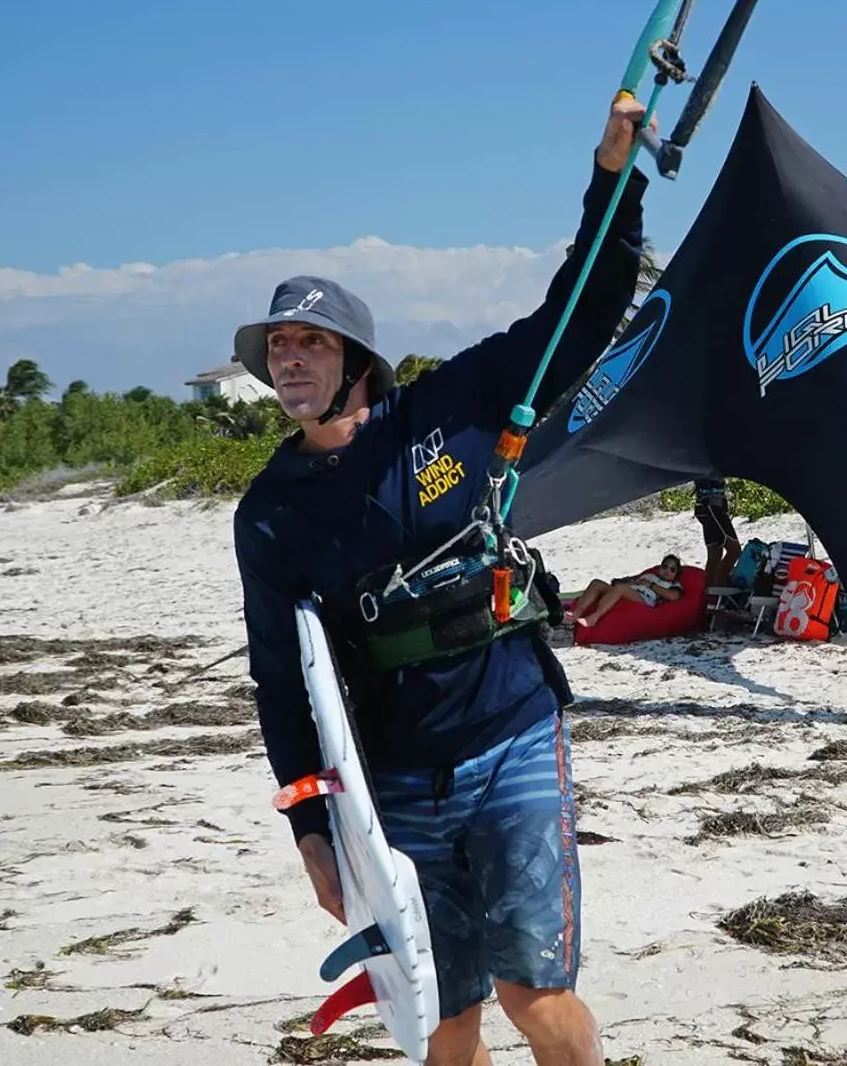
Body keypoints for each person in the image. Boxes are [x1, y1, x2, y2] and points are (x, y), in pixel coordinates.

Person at [231, 95, 655, 1066]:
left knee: (535, 994)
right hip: (393, 778)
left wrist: (613, 179)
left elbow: (583, 313)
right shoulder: (270, 511)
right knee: (443, 1016)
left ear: (358, 364)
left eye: (312, 343)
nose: (290, 359)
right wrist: (311, 823)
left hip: (509, 732)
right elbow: (280, 678)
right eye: (279, 348)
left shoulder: (449, 408)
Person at [565, 553, 684, 627]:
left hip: (644, 600)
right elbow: (616, 581)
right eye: (665, 567)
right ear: (660, 567)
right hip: (629, 590)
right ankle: (576, 614)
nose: (668, 571)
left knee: (621, 588)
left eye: (672, 569)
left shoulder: (673, 584)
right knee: (596, 583)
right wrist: (631, 581)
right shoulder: (648, 575)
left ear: (676, 574)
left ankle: (594, 617)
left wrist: (650, 585)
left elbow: (672, 596)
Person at [693, 477, 741, 587]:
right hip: (711, 506)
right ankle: (719, 587)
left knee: (715, 553)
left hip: (707, 505)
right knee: (734, 550)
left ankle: (709, 596)